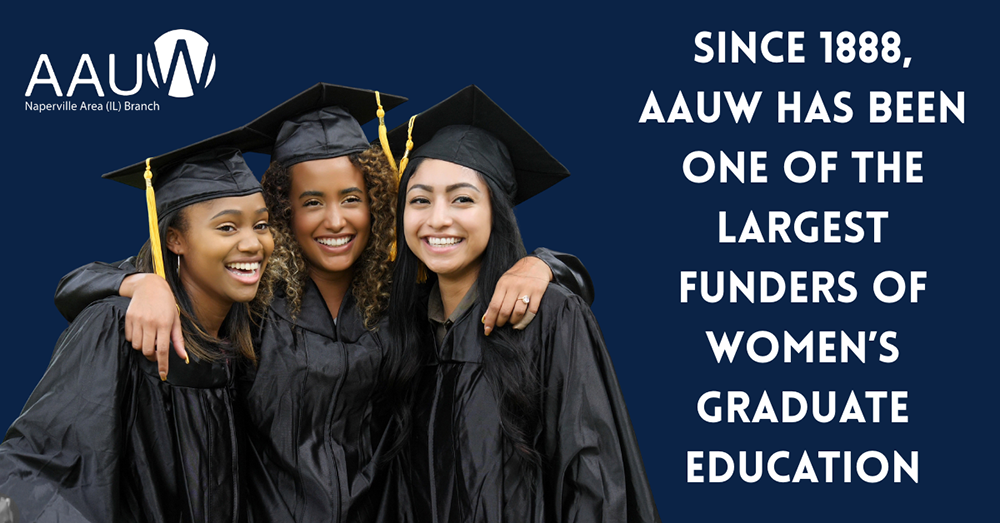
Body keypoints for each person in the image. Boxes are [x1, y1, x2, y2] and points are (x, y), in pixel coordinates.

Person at [53, 84, 594, 522]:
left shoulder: (405, 292)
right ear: (283, 209)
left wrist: (543, 262)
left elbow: (502, 271)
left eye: (352, 199)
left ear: (377, 200)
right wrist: (141, 284)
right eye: (312, 202)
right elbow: (78, 284)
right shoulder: (253, 297)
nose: (335, 221)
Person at [383, 86, 661, 522]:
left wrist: (548, 266)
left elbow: (592, 481)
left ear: (496, 212)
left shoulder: (549, 316)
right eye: (419, 199)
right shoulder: (402, 327)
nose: (437, 219)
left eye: (462, 199)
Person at [0, 138, 274, 522]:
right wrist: (140, 282)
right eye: (227, 227)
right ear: (174, 240)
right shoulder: (118, 326)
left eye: (262, 224)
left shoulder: (247, 336)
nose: (253, 243)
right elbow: (46, 466)